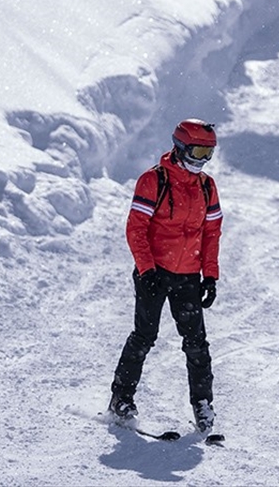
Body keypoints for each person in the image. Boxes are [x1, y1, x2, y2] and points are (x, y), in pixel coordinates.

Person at [109, 119, 223, 434]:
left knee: (196, 342)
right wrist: (146, 270)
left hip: (187, 274)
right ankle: (121, 399)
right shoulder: (153, 181)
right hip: (155, 273)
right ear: (181, 146)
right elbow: (136, 228)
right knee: (144, 336)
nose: (202, 160)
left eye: (208, 153)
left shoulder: (206, 186)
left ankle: (203, 404)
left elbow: (211, 232)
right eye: (198, 151)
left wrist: (209, 275)